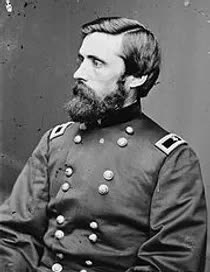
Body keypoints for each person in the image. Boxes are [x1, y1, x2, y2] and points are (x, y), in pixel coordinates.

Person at [0, 17, 207, 272]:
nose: (79, 73)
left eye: (96, 63)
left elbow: (171, 262)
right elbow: (15, 235)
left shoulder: (171, 159)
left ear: (136, 77)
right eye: (81, 60)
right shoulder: (55, 141)